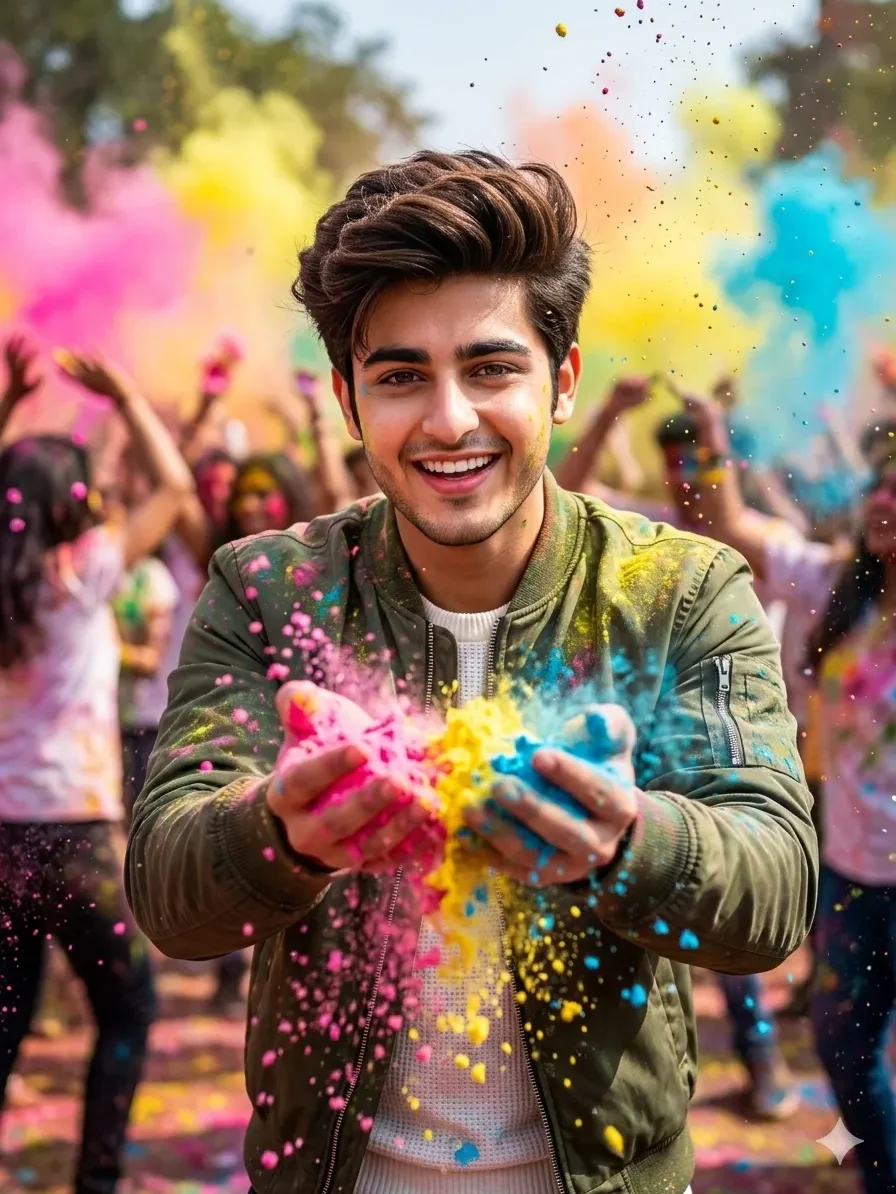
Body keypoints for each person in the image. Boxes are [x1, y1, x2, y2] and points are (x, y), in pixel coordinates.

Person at [127, 150, 816, 1194]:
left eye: (491, 368)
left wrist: (631, 841)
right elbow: (170, 896)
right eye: (401, 376)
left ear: (563, 381)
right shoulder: (269, 587)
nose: (449, 419)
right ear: (349, 403)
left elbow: (774, 890)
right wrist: (279, 831)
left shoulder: (680, 589)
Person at [680, 395, 896, 1194]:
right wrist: (710, 437)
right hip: (845, 871)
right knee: (844, 1048)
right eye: (880, 488)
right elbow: (732, 525)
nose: (884, 503)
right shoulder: (833, 587)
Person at [0, 346, 194, 1194]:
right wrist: (122, 392)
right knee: (128, 1010)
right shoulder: (85, 575)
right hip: (74, 837)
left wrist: (11, 404)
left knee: (6, 1024)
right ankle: (97, 1181)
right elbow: (178, 490)